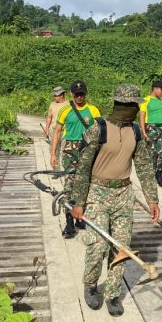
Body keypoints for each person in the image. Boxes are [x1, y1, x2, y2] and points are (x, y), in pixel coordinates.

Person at [70, 83, 160, 317]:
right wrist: (78, 201)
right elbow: (82, 168)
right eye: (131, 105)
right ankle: (90, 285)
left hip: (124, 194)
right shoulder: (98, 129)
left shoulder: (136, 132)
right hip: (97, 193)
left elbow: (144, 166)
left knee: (121, 248)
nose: (134, 110)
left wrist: (152, 199)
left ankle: (112, 294)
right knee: (97, 246)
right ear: (121, 105)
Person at [50, 79, 100, 237]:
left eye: (82, 94)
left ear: (86, 94)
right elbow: (57, 132)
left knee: (86, 185)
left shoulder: (93, 110)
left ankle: (80, 216)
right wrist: (53, 154)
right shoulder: (65, 110)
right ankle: (69, 220)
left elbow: (100, 132)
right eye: (77, 94)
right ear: (72, 94)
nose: (79, 97)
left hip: (88, 151)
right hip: (70, 153)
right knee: (70, 186)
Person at [139, 80, 162, 187]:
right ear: (155, 89)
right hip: (150, 127)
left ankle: (159, 173)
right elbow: (142, 117)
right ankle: (151, 176)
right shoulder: (145, 100)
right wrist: (144, 132)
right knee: (152, 153)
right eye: (161, 90)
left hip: (161, 128)